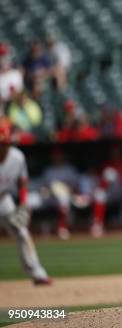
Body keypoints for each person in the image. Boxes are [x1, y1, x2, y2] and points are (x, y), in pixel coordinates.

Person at [0, 119, 52, 285]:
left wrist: (23, 203)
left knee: (22, 232)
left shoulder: (17, 157)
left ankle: (37, 272)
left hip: (3, 199)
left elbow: (22, 182)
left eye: (6, 143)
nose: (4, 147)